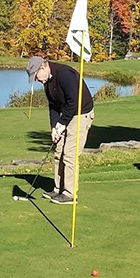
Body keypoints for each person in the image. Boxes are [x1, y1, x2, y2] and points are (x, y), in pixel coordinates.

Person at [25, 56, 94, 205]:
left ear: (42, 68)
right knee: (59, 151)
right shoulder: (47, 81)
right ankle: (58, 189)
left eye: (36, 76)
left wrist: (61, 124)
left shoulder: (64, 74)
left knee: (69, 154)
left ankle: (69, 194)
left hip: (81, 113)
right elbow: (53, 106)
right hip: (67, 114)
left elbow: (73, 102)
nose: (36, 80)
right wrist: (54, 128)